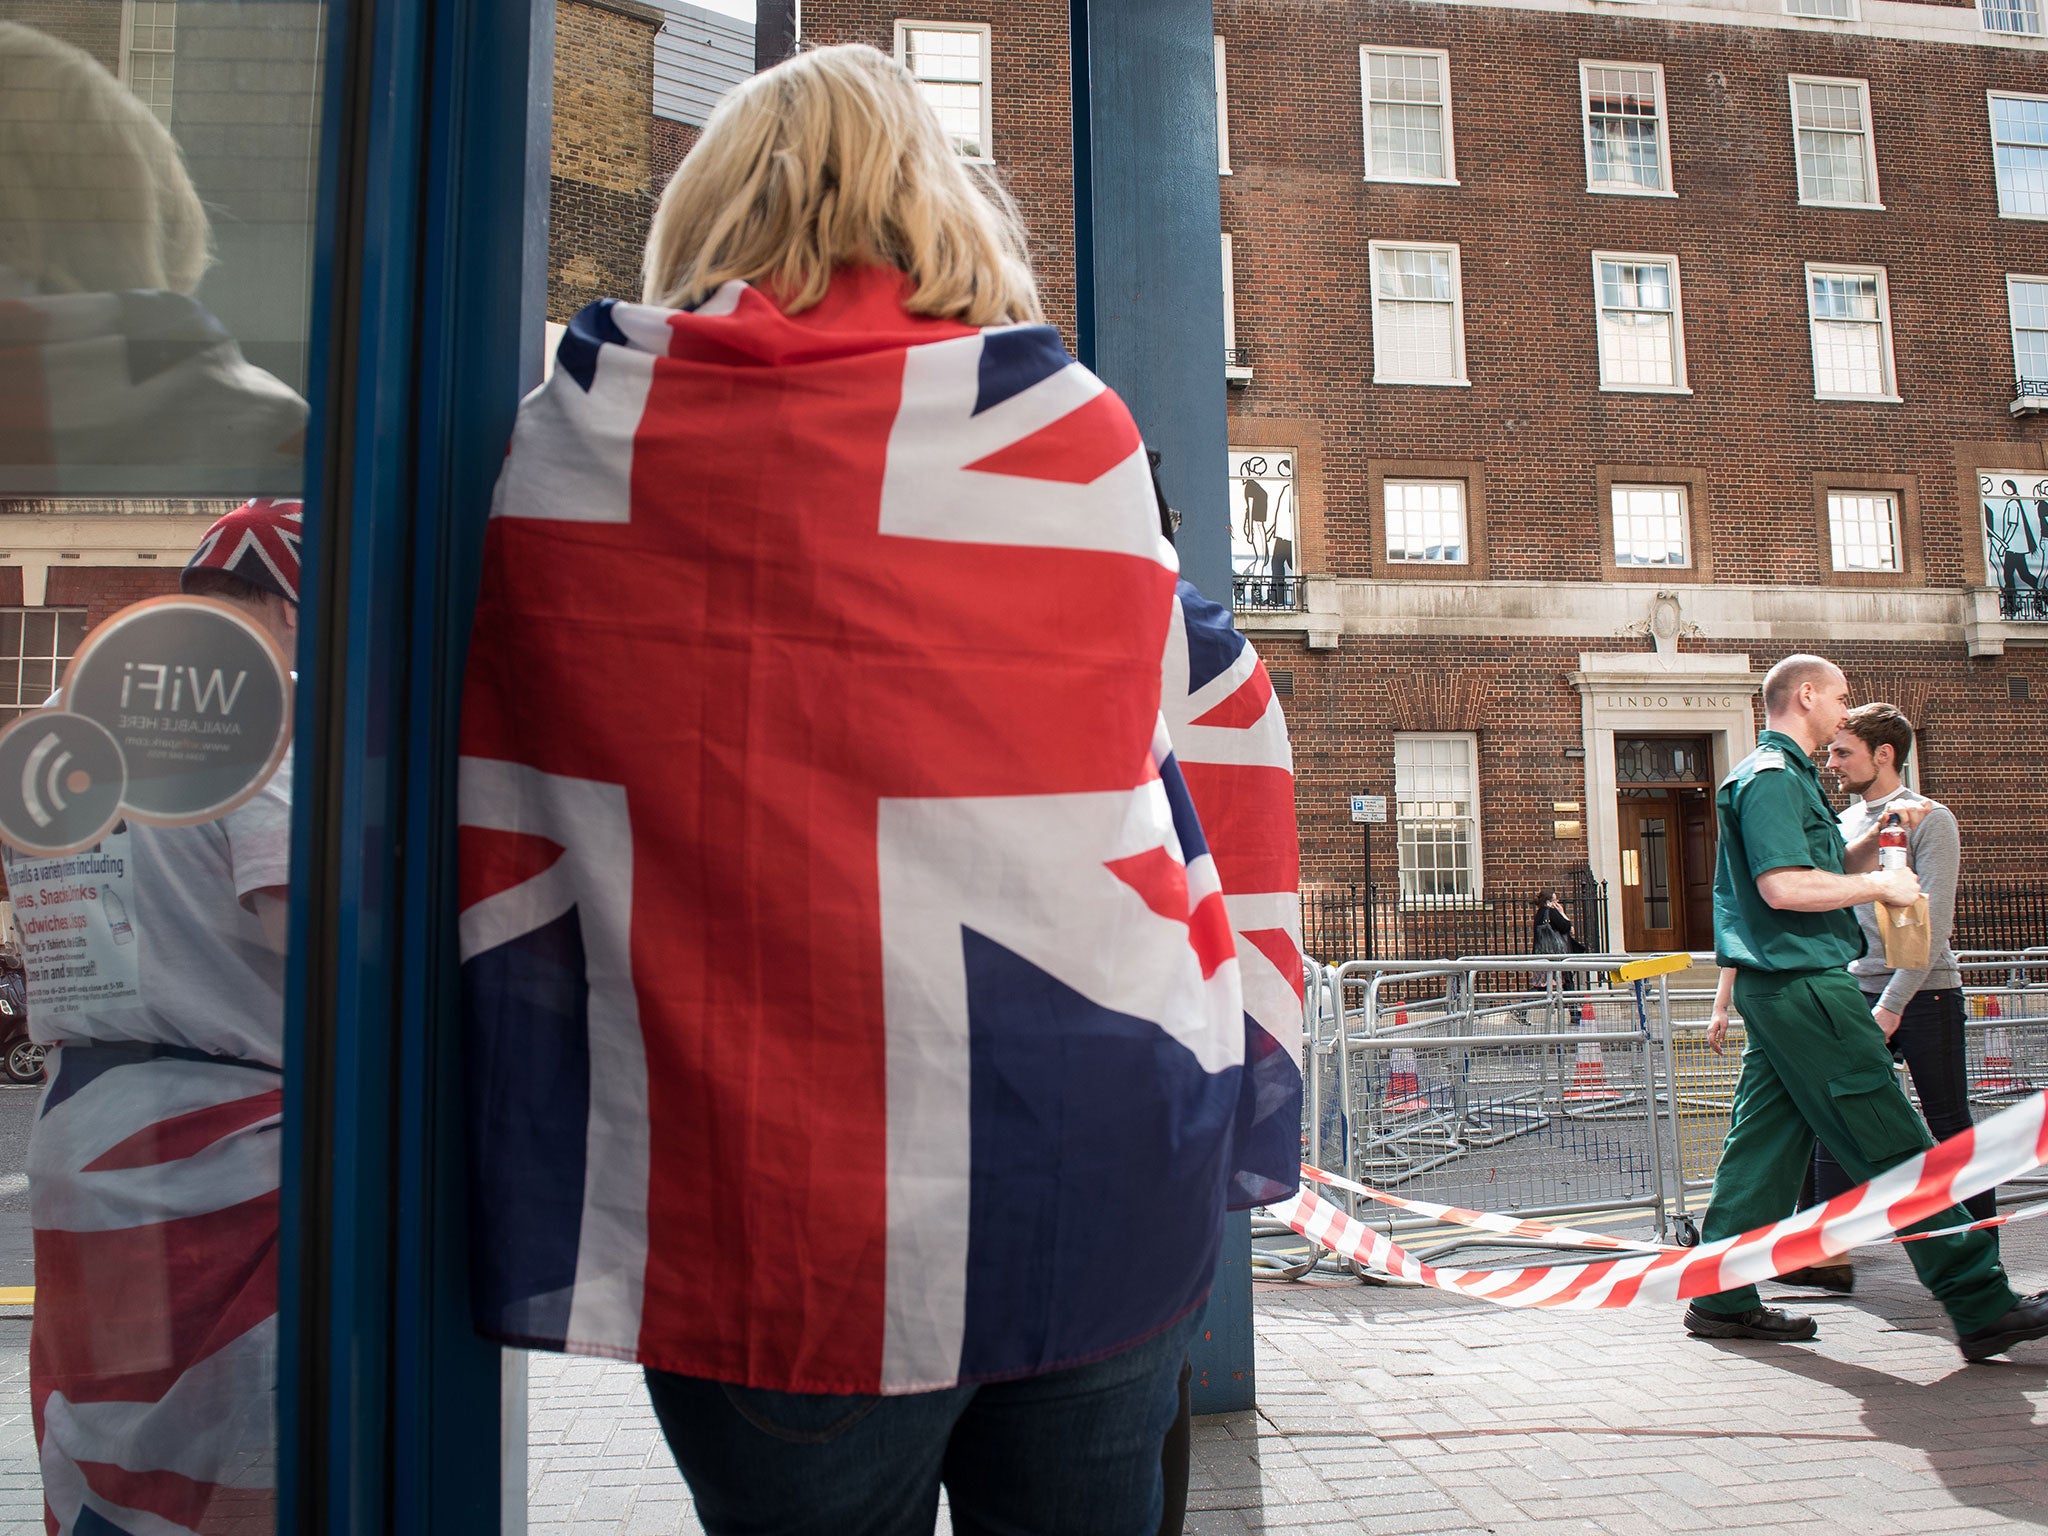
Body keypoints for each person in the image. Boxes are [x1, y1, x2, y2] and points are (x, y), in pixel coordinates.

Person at [458, 42, 1298, 1536]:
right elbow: (1194, 728)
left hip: (776, 1191)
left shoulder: (580, 435)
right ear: (944, 208)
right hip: (1095, 1153)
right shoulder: (1073, 432)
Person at [10, 497, 299, 1533]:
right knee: (227, 1481)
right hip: (216, 1154)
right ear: (289, 608)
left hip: (83, 1139)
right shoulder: (246, 718)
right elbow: (297, 929)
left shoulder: (65, 724)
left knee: (110, 1449)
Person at [1690, 654, 2048, 1362]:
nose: (1844, 712)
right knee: (1895, 1142)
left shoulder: (1783, 776)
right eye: (1841, 698)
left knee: (1761, 1153)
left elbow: (1817, 866)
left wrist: (1882, 829)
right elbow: (1785, 888)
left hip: (1785, 987)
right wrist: (1883, 887)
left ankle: (1721, 1295)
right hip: (1805, 985)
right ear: (1808, 695)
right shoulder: (1770, 778)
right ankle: (1981, 1305)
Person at [1772, 703, 1982, 1295]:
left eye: (1844, 753)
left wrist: (1892, 1002)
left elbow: (1932, 921)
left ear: (1883, 755)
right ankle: (1826, 1254)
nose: (1832, 762)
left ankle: (1980, 1253)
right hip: (1855, 988)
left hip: (1925, 994)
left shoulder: (1930, 819)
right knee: (1837, 1119)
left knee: (1948, 1125)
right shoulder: (1843, 824)